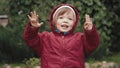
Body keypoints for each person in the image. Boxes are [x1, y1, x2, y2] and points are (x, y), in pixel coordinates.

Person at [23, 4, 100, 68]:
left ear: (74, 23)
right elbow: (30, 39)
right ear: (54, 22)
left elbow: (92, 43)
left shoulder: (79, 38)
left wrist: (90, 31)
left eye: (70, 19)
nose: (65, 21)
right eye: (61, 18)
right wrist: (33, 28)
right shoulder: (46, 38)